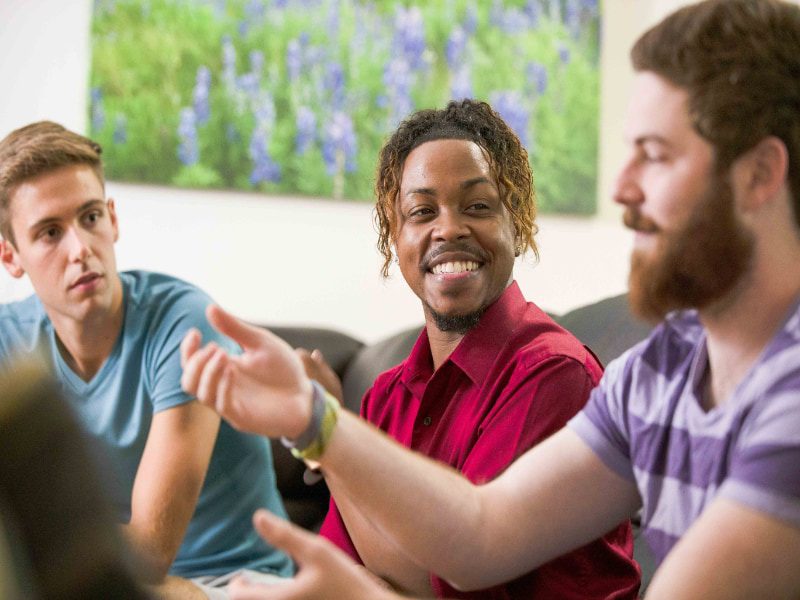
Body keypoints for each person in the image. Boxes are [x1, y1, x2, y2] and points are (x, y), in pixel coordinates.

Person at [182, 0, 800, 598]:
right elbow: (483, 533)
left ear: (759, 175)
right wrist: (313, 419)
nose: (620, 187)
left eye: (655, 156)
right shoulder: (660, 371)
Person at [196, 99, 640, 599]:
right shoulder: (385, 397)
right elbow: (340, 573)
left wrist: (322, 428)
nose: (447, 228)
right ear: (395, 238)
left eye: (477, 206)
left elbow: (448, 574)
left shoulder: (555, 375)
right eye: (422, 211)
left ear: (517, 223)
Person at [0, 122, 293, 599]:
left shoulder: (185, 325)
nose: (80, 250)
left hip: (235, 583)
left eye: (90, 217)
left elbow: (149, 556)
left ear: (113, 220)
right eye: (50, 233)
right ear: (11, 257)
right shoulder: (8, 341)